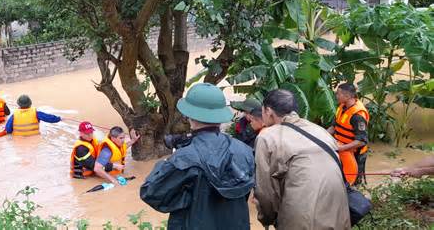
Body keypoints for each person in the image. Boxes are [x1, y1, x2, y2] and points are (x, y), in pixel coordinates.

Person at [140, 83, 255, 230]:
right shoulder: (245, 151)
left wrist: (167, 162)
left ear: (189, 116)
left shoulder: (184, 159)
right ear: (220, 116)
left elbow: (151, 193)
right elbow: (241, 193)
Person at [254, 89, 350, 230]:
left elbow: (265, 192)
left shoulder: (268, 137)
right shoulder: (320, 131)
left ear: (268, 111)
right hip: (339, 218)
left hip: (302, 222)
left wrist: (267, 219)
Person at [327, 83, 369, 185]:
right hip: (340, 147)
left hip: (354, 153)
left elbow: (361, 141)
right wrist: (321, 136)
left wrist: (341, 148)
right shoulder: (342, 107)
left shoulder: (358, 116)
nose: (336, 96)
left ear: (347, 96)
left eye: (338, 94)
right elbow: (334, 127)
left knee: (353, 183)